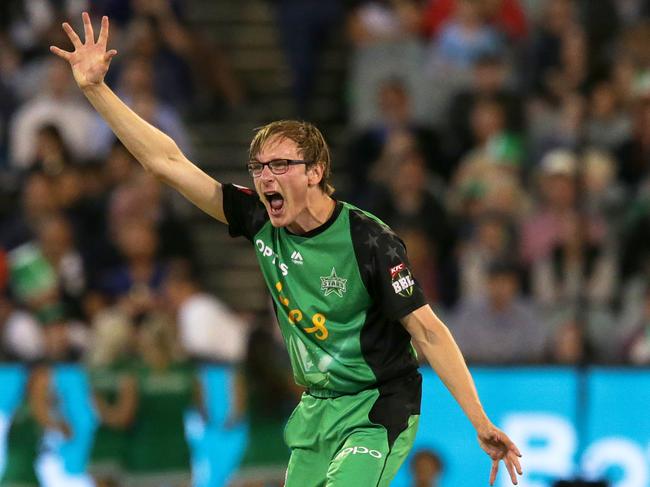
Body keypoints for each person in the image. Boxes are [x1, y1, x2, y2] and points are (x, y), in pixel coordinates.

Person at [50, 13, 523, 486]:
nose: (265, 178)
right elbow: (165, 162)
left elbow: (429, 331)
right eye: (258, 168)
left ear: (315, 171)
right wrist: (96, 90)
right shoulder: (258, 217)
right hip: (316, 408)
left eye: (280, 165)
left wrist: (480, 422)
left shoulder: (369, 240)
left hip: (376, 407)